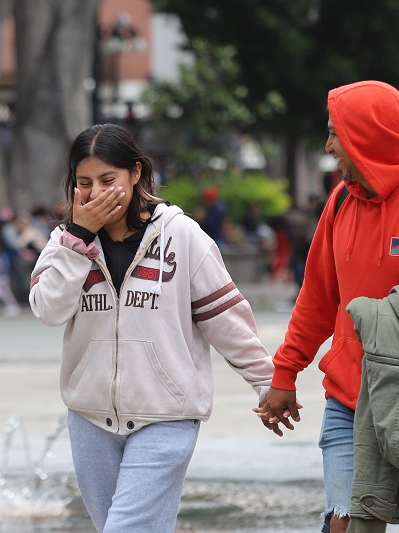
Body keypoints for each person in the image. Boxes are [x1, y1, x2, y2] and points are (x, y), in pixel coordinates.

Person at [255, 81, 399, 533]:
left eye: (335, 133)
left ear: (368, 135)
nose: (328, 147)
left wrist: (392, 331)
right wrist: (285, 373)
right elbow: (318, 298)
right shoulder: (340, 201)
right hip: (348, 396)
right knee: (345, 525)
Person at [28, 123, 276, 533]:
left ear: (136, 173)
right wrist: (78, 238)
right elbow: (48, 310)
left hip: (167, 415)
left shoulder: (182, 235)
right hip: (89, 418)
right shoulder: (64, 242)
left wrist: (269, 384)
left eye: (109, 179)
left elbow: (226, 318)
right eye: (84, 182)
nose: (96, 192)